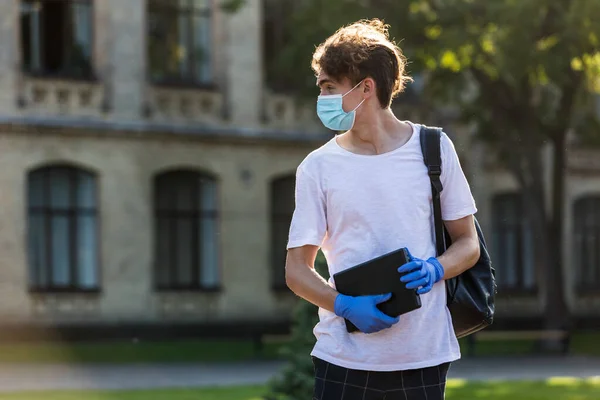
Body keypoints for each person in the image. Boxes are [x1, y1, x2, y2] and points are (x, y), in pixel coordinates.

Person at [284, 19, 480, 400]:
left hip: (423, 357)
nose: (321, 98)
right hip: (343, 360)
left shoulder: (434, 150)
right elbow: (295, 271)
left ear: (365, 88)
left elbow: (468, 244)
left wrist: (435, 268)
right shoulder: (318, 167)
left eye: (329, 87)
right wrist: (344, 305)